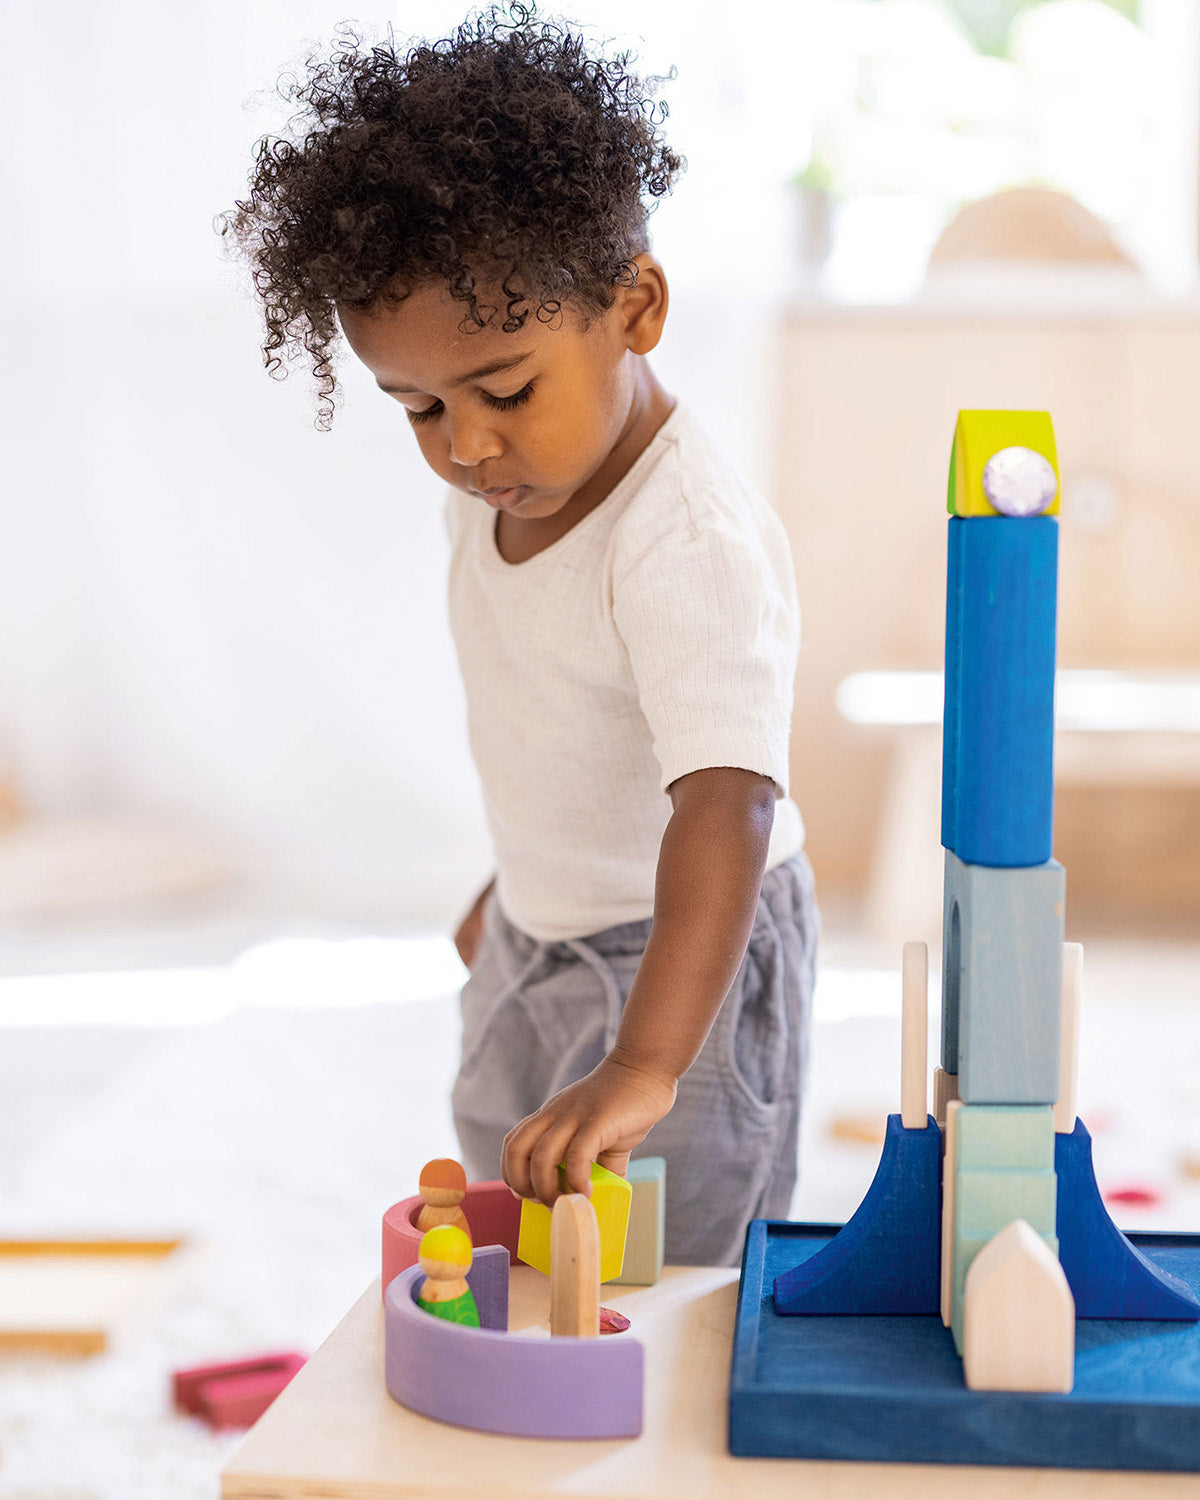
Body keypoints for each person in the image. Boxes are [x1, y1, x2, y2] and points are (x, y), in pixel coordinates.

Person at [220, 2, 819, 1266]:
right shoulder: (500, 489)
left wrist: (649, 1061)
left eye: (505, 390)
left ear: (635, 306)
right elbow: (559, 713)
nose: (469, 445)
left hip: (686, 953)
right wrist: (521, 884)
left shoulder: (685, 540)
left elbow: (727, 801)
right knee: (515, 1198)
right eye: (421, 407)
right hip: (540, 927)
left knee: (673, 1256)